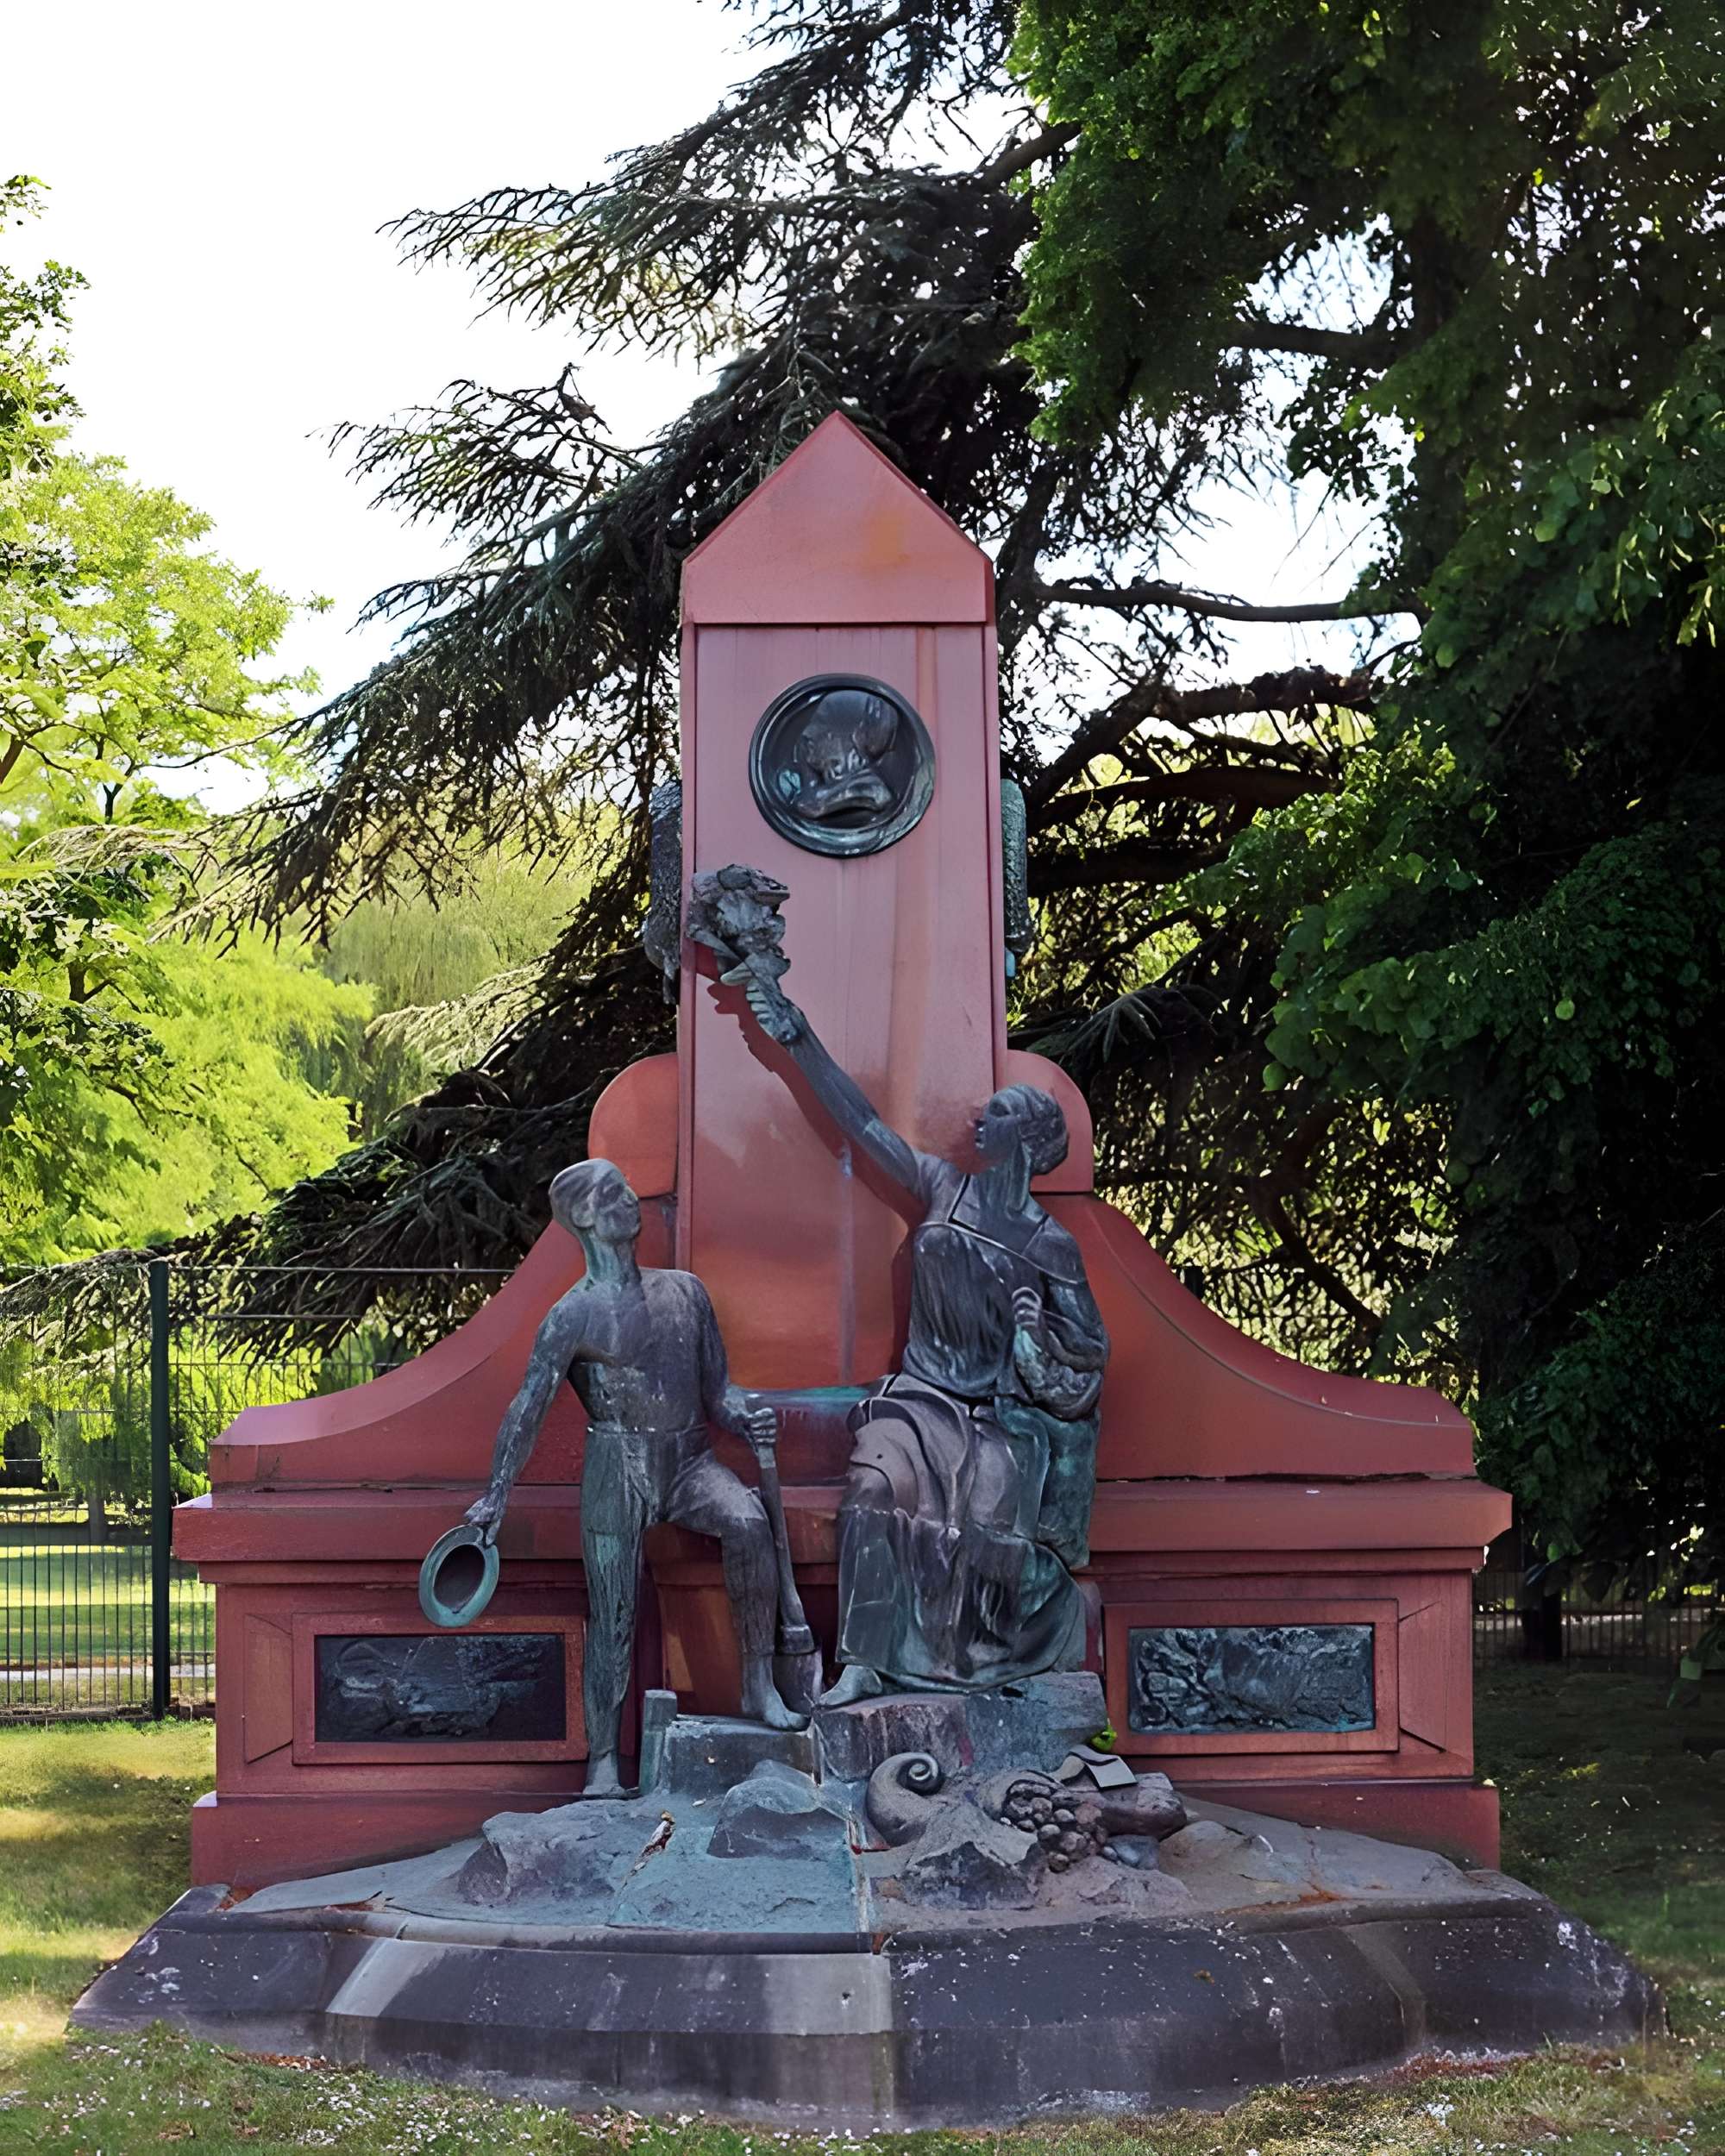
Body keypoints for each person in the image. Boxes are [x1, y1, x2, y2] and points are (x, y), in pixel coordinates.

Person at [735, 976, 1108, 1702]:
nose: (978, 1124)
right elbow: (865, 1126)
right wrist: (798, 1037)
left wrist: (1034, 1333)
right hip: (919, 1400)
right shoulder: (944, 1187)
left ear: (1025, 1143)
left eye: (995, 1118)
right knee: (870, 1493)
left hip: (998, 1422)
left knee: (991, 1548)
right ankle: (864, 1663)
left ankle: (994, 1660)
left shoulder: (1050, 1245)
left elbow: (1091, 1353)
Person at [465, 1159, 805, 1796]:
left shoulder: (686, 1293)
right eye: (615, 1193)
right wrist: (496, 1494)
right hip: (616, 1469)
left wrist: (747, 1415)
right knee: (612, 1610)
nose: (632, 1200)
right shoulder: (573, 1315)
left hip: (692, 1461)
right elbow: (526, 1408)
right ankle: (601, 1762)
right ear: (587, 1216)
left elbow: (719, 1393)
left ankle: (760, 1684)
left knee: (749, 1523)